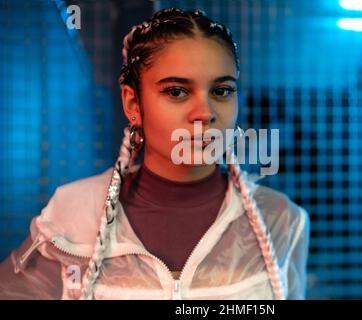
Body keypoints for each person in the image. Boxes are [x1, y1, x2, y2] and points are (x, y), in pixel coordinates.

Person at [0, 7, 310, 300]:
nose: (205, 113)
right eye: (176, 91)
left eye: (222, 91)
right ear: (133, 104)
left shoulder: (281, 220)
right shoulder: (72, 214)